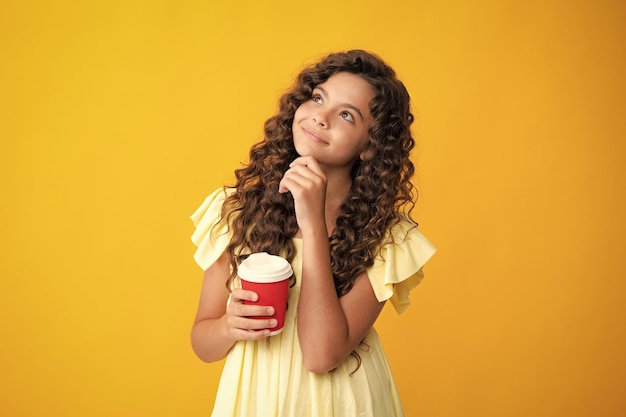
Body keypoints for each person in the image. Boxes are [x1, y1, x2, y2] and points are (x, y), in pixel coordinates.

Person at [190, 49, 436, 417]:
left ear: (370, 147)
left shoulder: (387, 237)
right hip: (259, 400)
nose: (321, 117)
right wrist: (228, 326)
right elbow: (203, 344)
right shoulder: (237, 212)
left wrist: (313, 227)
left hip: (343, 403)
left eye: (347, 115)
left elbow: (322, 355)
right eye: (318, 97)